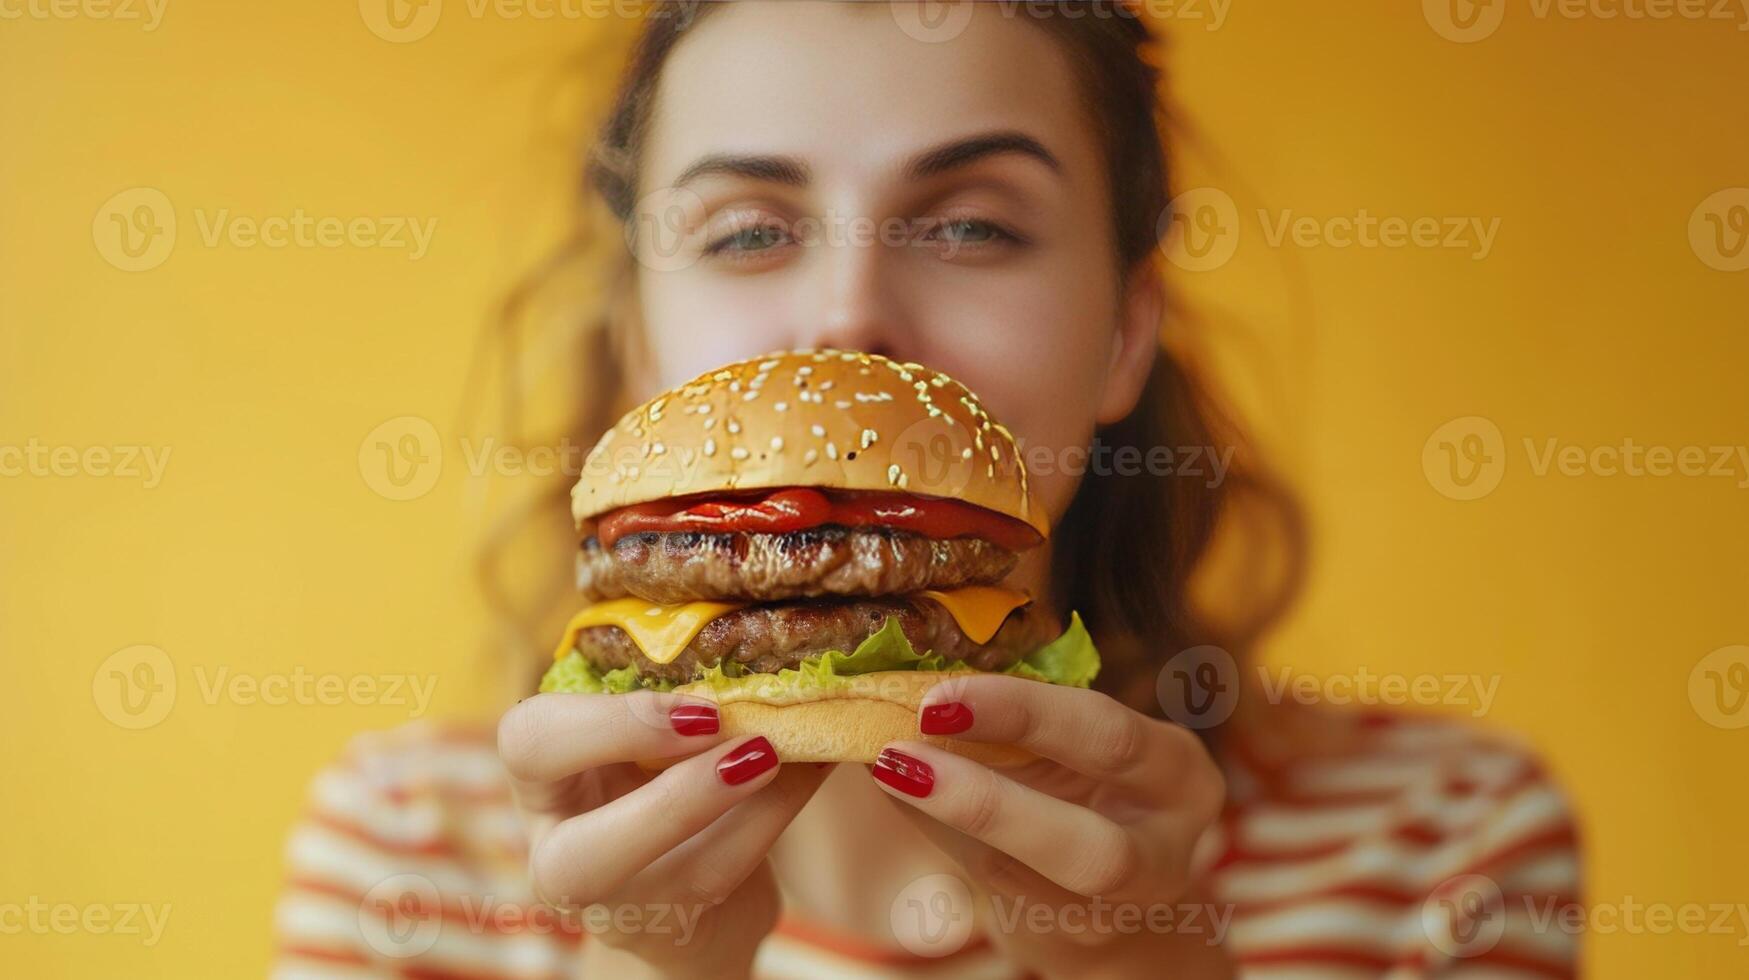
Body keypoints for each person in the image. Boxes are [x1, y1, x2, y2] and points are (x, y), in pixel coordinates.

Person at [272, 4, 1579, 977]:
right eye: (745, 230)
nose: (847, 318)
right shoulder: (410, 853)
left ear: (1124, 329)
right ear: (634, 344)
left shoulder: (1434, 847)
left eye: (972, 225)